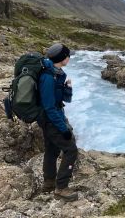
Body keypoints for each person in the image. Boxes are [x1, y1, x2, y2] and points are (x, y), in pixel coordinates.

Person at [38, 43, 78, 202]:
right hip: (51, 119)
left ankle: (48, 183)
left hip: (51, 118)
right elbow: (49, 107)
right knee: (71, 150)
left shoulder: (57, 73)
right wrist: (63, 129)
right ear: (62, 58)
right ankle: (61, 188)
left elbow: (64, 100)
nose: (69, 57)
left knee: (52, 150)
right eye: (68, 55)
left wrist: (67, 88)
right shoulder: (47, 77)